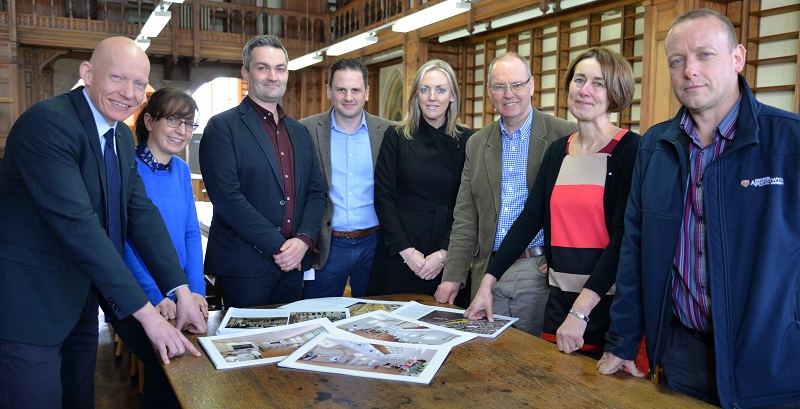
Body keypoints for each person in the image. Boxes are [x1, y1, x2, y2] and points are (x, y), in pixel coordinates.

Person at [596, 9, 800, 408]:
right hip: (682, 355)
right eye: (677, 60)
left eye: (705, 55)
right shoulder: (655, 147)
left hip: (772, 359)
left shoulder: (789, 141)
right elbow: (635, 252)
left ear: (737, 58)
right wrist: (621, 340)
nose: (690, 70)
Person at [0, 36, 206, 409]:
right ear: (87, 73)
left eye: (138, 84)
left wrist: (181, 290)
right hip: (28, 307)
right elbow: (80, 227)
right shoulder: (49, 123)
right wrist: (148, 313)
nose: (128, 93)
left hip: (78, 301)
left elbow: (140, 214)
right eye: (117, 78)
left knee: (80, 399)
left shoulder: (120, 138)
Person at [465, 47, 638, 356]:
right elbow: (530, 220)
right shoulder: (559, 150)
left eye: (598, 83)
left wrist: (580, 311)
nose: (585, 90)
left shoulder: (630, 150)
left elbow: (623, 241)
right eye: (579, 80)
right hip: (558, 301)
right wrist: (487, 283)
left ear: (615, 91)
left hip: (604, 303)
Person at [434, 52, 576, 335]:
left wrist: (561, 258)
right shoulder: (476, 144)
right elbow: (465, 216)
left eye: (517, 85)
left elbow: (577, 209)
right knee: (488, 362)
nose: (509, 94)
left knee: (533, 364)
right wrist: (453, 276)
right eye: (499, 87)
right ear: (490, 92)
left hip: (537, 269)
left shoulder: (564, 135)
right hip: (488, 269)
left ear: (532, 86)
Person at [199, 34, 326, 308]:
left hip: (293, 266)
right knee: (244, 348)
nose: (273, 76)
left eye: (280, 69)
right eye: (262, 67)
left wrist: (303, 241)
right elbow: (228, 199)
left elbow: (316, 193)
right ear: (246, 72)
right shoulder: (222, 128)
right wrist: (279, 247)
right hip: (244, 267)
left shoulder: (300, 131)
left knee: (288, 343)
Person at [108, 87, 208, 408]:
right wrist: (157, 294)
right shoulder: (128, 168)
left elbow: (192, 234)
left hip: (179, 293)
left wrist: (194, 290)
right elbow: (126, 241)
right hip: (141, 296)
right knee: (168, 368)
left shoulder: (180, 170)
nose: (182, 131)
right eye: (174, 120)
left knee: (186, 369)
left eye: (189, 123)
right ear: (149, 121)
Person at [367, 59, 474, 297]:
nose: (432, 97)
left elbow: (467, 205)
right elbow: (383, 197)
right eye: (424, 90)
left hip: (445, 251)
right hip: (399, 249)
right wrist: (406, 251)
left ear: (452, 96)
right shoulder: (396, 136)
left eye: (441, 90)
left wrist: (444, 253)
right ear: (416, 96)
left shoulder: (468, 140)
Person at [299, 58, 393, 299]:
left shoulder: (389, 132)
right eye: (341, 89)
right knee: (317, 320)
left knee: (373, 321)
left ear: (367, 93)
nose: (348, 97)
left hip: (375, 243)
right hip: (327, 245)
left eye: (355, 90)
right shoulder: (306, 130)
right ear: (329, 90)